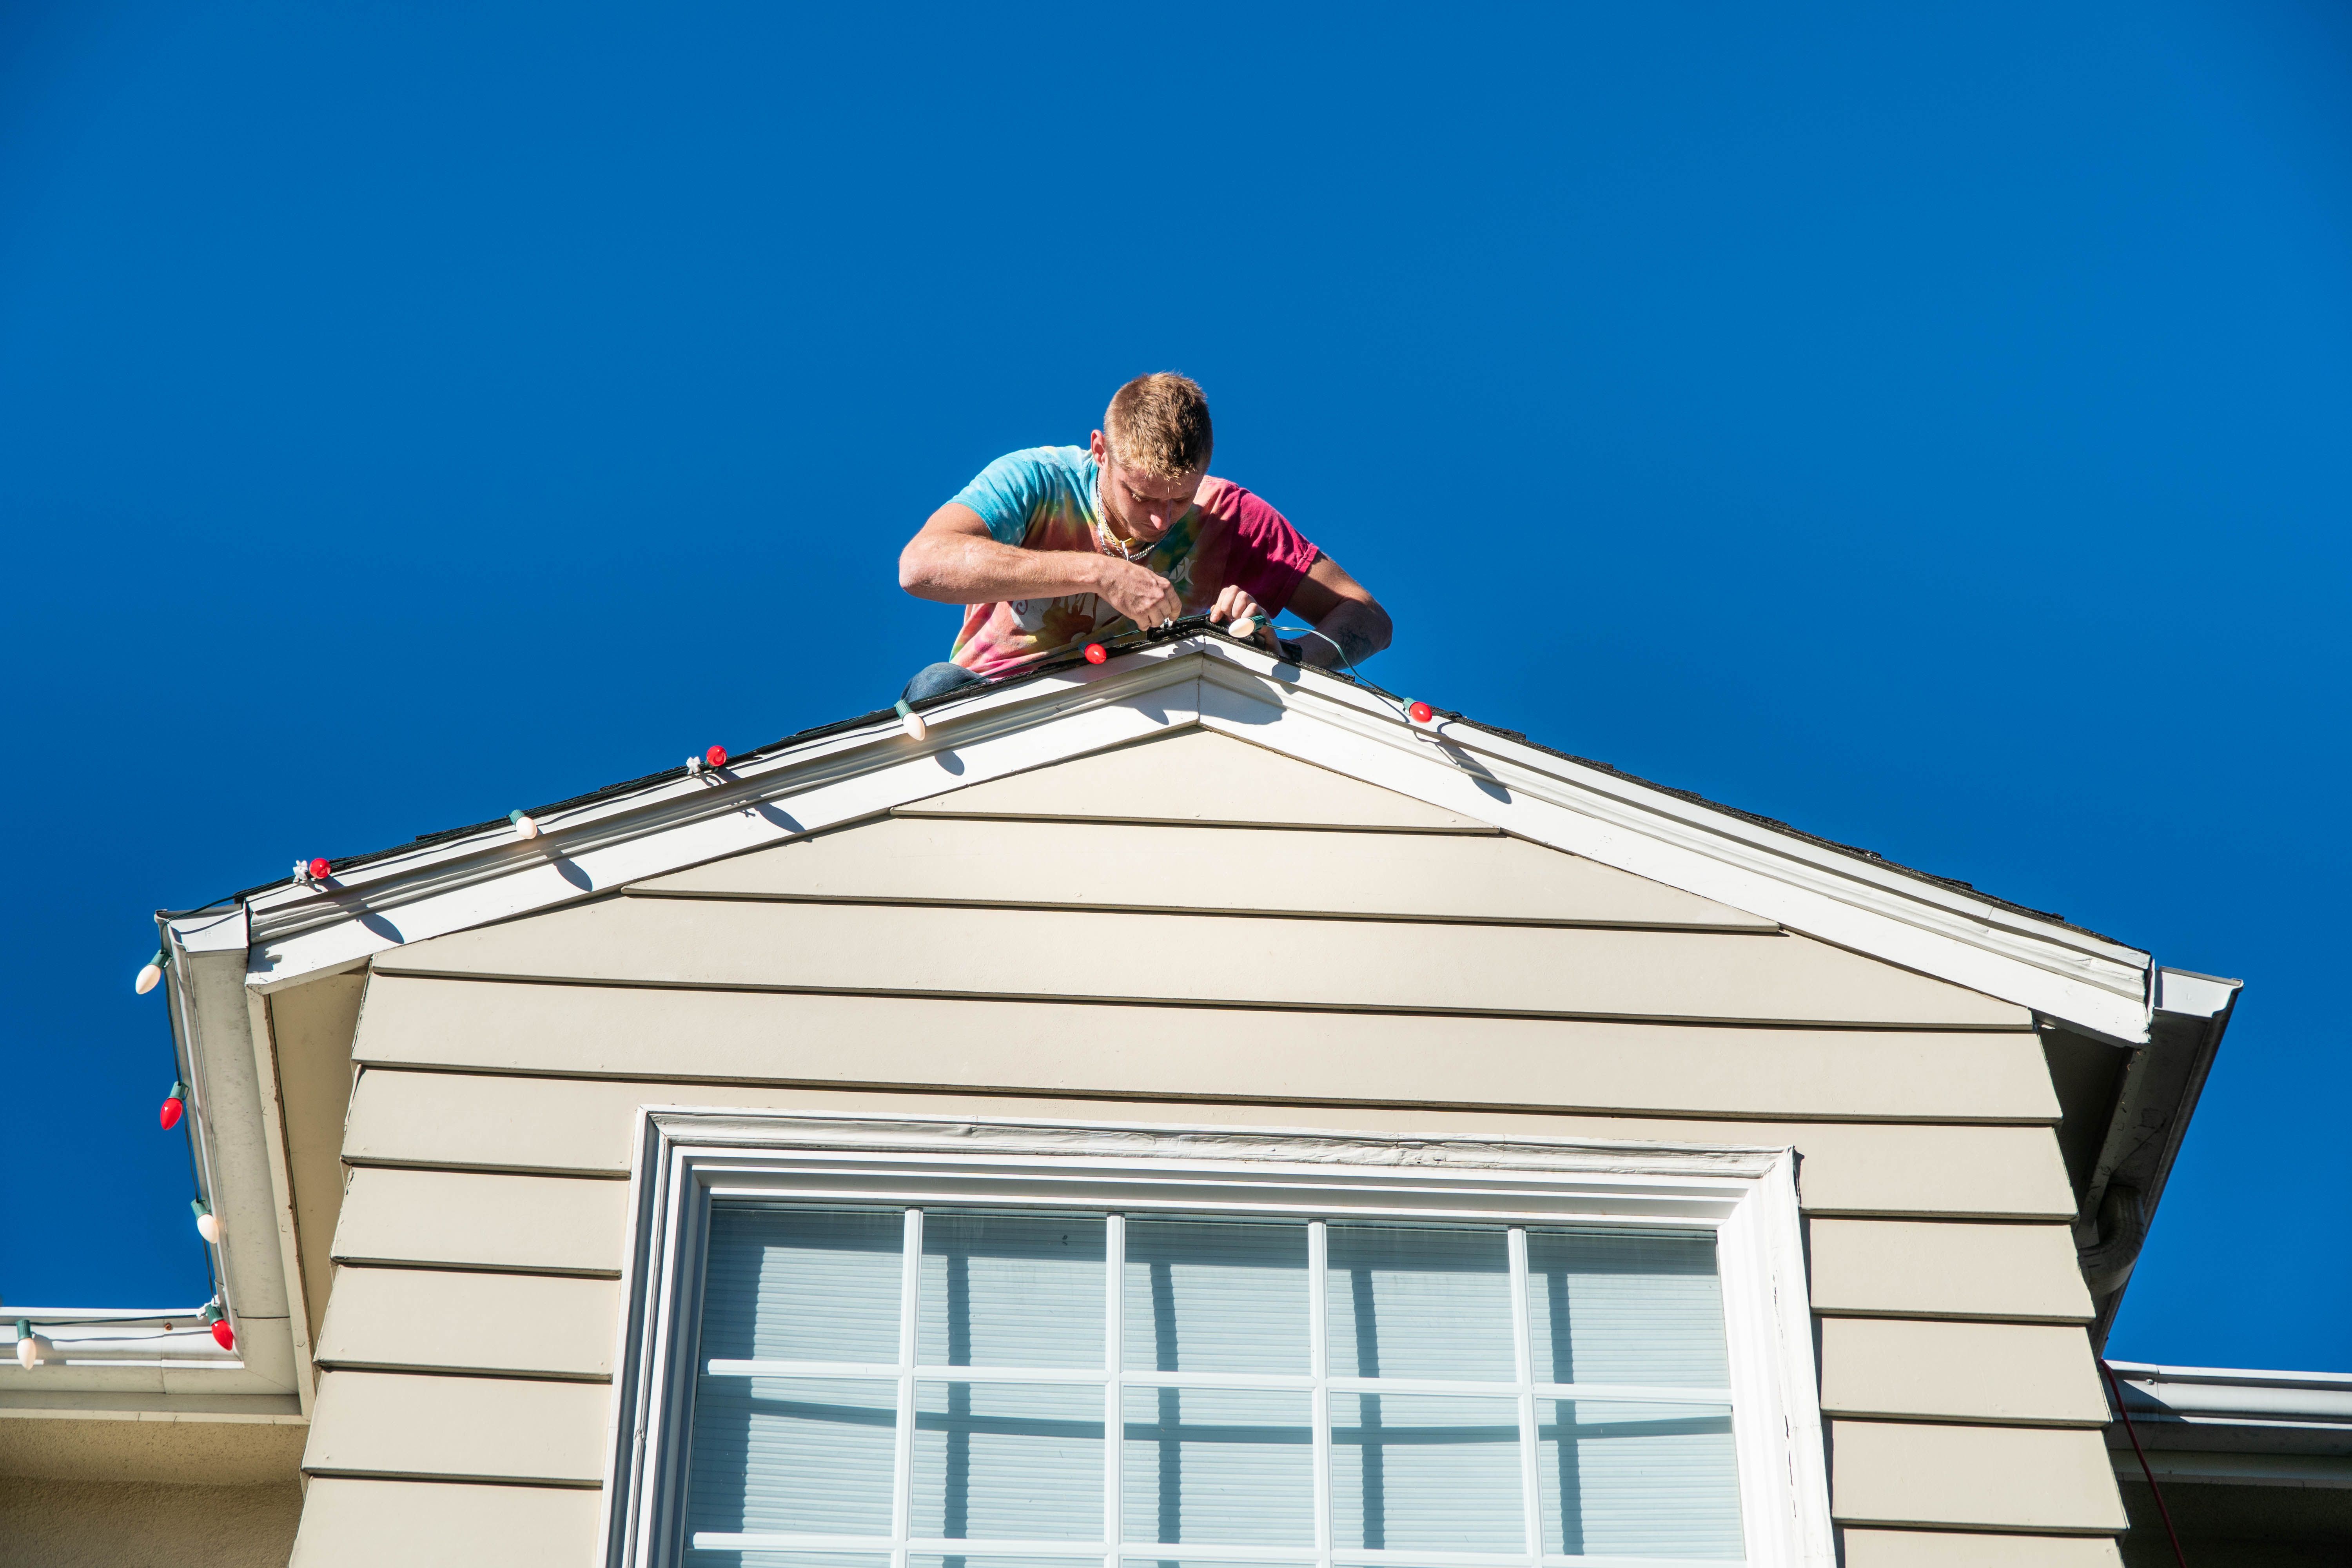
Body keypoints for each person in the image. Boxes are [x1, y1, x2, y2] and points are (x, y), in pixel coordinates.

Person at [896, 372, 1391, 702]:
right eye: (1143, 497)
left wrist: (1284, 658)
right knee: (936, 686)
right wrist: (1100, 573)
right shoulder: (1038, 479)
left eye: (1181, 499)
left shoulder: (1231, 516)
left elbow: (1368, 620)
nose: (1162, 520)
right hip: (997, 703)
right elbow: (920, 566)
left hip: (1152, 716)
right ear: (1100, 451)